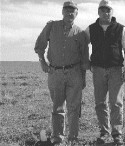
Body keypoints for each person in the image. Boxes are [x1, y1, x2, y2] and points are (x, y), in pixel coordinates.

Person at [34, 1, 89, 145]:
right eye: (67, 10)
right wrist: (42, 61)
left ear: (77, 13)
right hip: (55, 73)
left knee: (74, 107)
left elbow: (84, 58)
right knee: (57, 107)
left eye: (73, 11)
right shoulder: (51, 26)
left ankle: (73, 138)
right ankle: (58, 138)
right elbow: (40, 45)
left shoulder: (81, 33)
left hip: (75, 74)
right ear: (62, 12)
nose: (70, 13)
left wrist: (83, 79)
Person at [85, 0, 125, 145]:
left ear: (112, 12)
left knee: (116, 103)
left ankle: (117, 134)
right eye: (102, 10)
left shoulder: (120, 29)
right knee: (100, 103)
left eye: (108, 10)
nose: (105, 13)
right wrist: (88, 63)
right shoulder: (91, 29)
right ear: (98, 12)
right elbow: (82, 45)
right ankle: (104, 133)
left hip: (115, 70)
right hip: (98, 70)